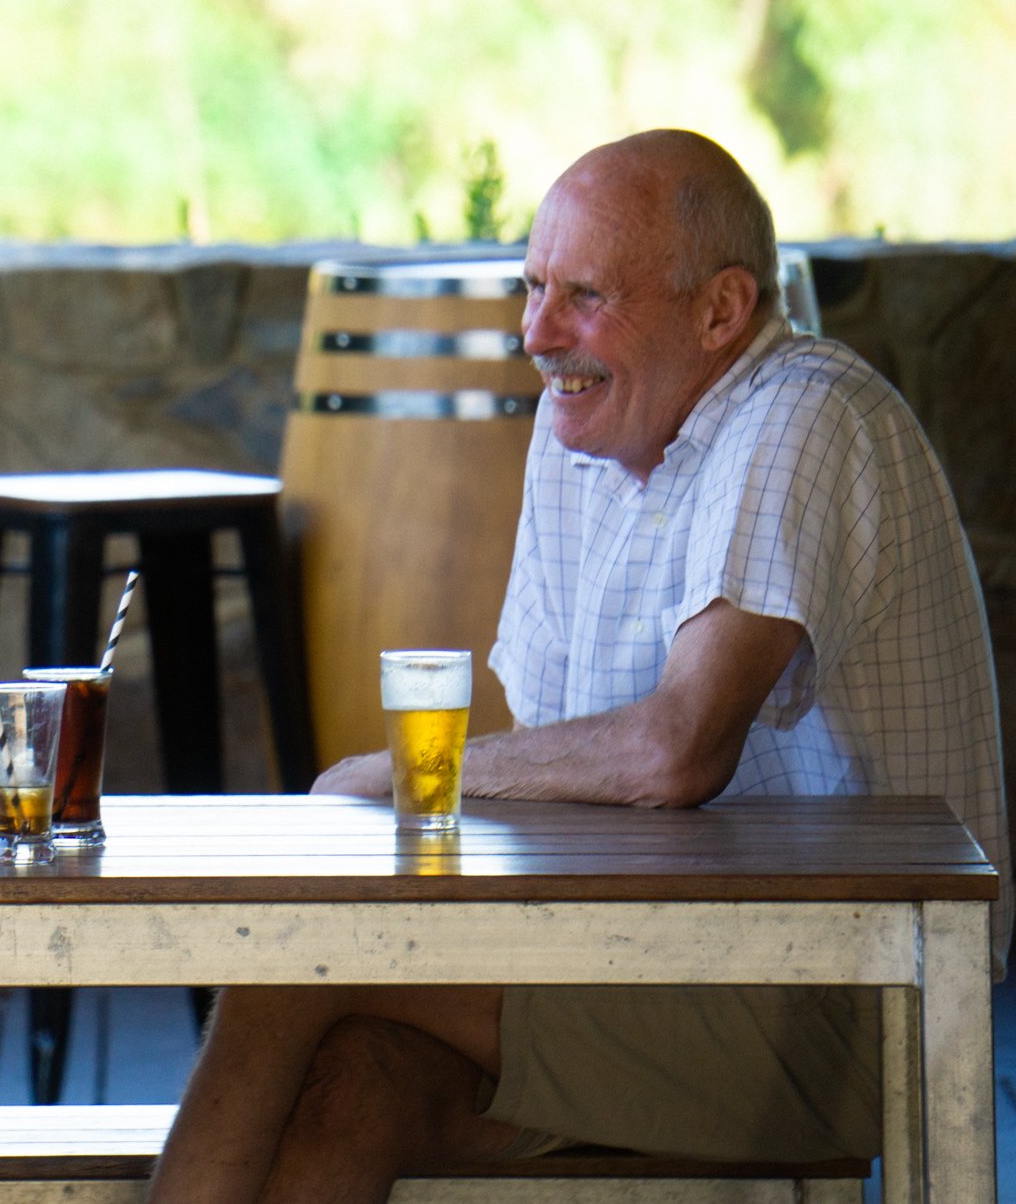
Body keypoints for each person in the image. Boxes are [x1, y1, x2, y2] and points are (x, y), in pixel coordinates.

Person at [147, 128, 1009, 1204]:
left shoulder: (801, 417)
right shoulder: (581, 438)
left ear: (719, 310)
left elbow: (670, 753)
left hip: (845, 999)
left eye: (583, 295)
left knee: (299, 955)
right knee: (351, 1080)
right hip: (647, 957)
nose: (534, 332)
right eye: (532, 286)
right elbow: (562, 791)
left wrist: (389, 780)